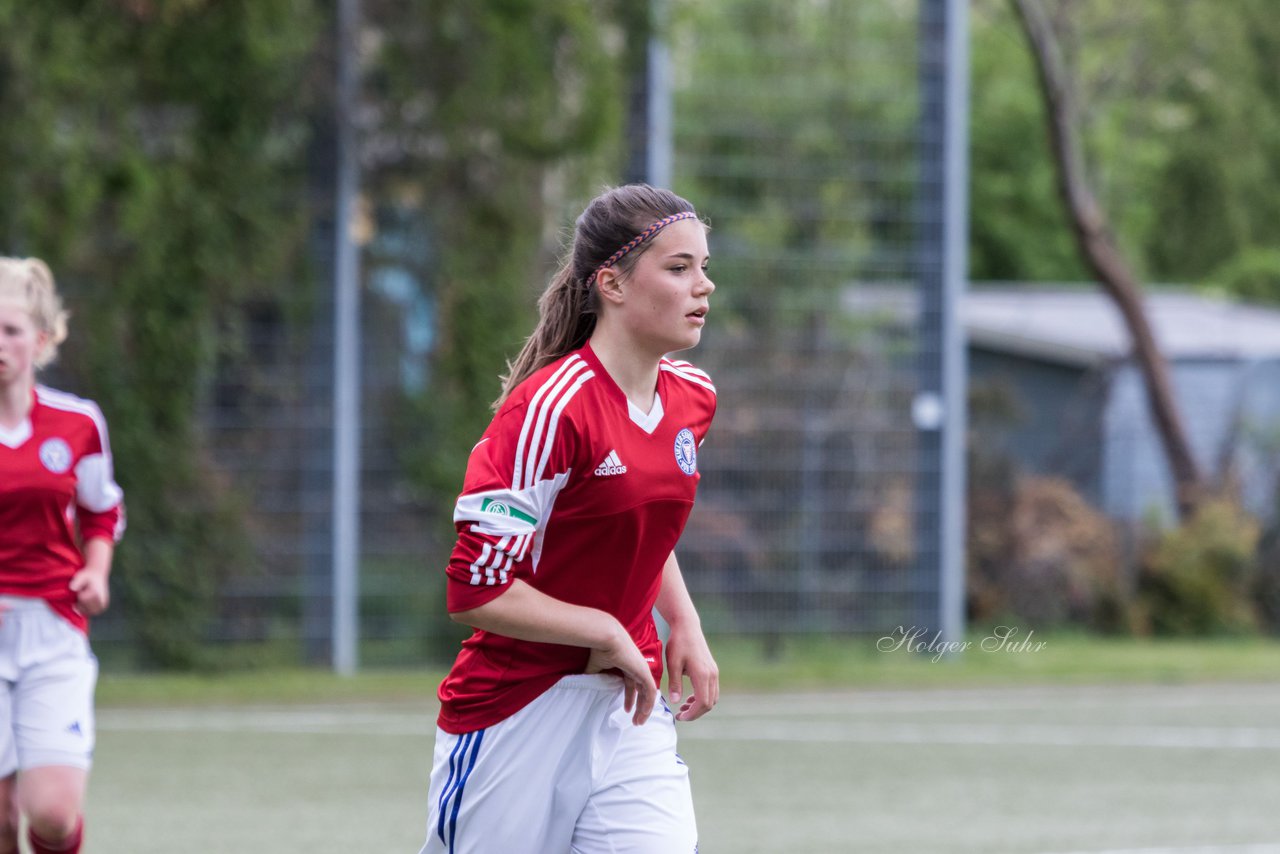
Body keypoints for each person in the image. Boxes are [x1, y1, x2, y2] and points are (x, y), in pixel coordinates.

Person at [419, 184, 720, 854]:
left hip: (627, 705)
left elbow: (640, 524)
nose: (703, 286)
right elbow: (477, 589)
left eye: (703, 266)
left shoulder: (693, 398)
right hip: (516, 709)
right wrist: (605, 631)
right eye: (679, 268)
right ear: (612, 284)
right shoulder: (550, 411)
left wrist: (686, 624)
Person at [0, 257, 124, 854]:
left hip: (51, 630)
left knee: (48, 813)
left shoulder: (78, 424)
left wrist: (95, 572)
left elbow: (102, 509)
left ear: (41, 340)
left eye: (11, 330)